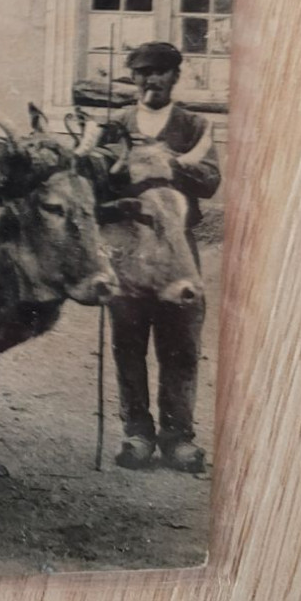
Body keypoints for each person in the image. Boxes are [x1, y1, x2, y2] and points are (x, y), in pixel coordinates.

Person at [108, 41, 221, 474]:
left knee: (180, 344)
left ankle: (178, 439)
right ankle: (136, 433)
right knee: (128, 344)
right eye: (141, 72)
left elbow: (210, 180)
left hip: (178, 251)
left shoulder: (193, 126)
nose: (149, 80)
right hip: (131, 253)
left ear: (176, 75)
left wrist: (172, 163)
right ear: (132, 77)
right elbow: (97, 182)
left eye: (159, 72)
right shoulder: (115, 124)